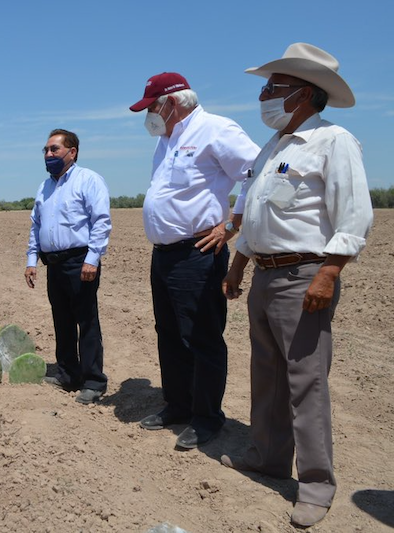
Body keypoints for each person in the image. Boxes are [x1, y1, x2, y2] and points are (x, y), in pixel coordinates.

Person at [220, 43, 374, 528]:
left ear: (303, 93)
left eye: (273, 87)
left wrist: (329, 273)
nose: (264, 94)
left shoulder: (333, 142)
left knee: (305, 383)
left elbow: (354, 216)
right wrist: (239, 264)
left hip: (304, 276)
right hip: (265, 274)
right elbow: (256, 213)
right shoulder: (274, 147)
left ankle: (315, 484)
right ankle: (267, 457)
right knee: (265, 373)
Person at [128, 73, 260, 449]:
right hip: (164, 255)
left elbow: (257, 175)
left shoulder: (216, 129)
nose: (149, 115)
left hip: (197, 254)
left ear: (173, 102)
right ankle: (179, 404)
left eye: (152, 107)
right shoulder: (166, 140)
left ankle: (207, 417)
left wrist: (231, 225)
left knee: (201, 337)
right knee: (169, 334)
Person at [25, 129, 111, 405]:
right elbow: (36, 225)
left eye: (54, 149)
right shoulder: (44, 187)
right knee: (61, 321)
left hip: (79, 261)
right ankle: (67, 374)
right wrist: (32, 260)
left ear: (71, 152)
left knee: (86, 321)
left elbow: (101, 221)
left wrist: (92, 258)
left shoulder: (88, 180)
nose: (48, 154)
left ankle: (93, 380)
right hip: (55, 265)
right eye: (46, 150)